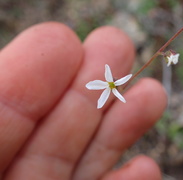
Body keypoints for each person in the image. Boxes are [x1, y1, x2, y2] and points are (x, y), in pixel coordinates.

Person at [0, 22, 167, 180]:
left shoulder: (113, 85)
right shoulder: (110, 85)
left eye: (111, 84)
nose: (110, 84)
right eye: (110, 83)